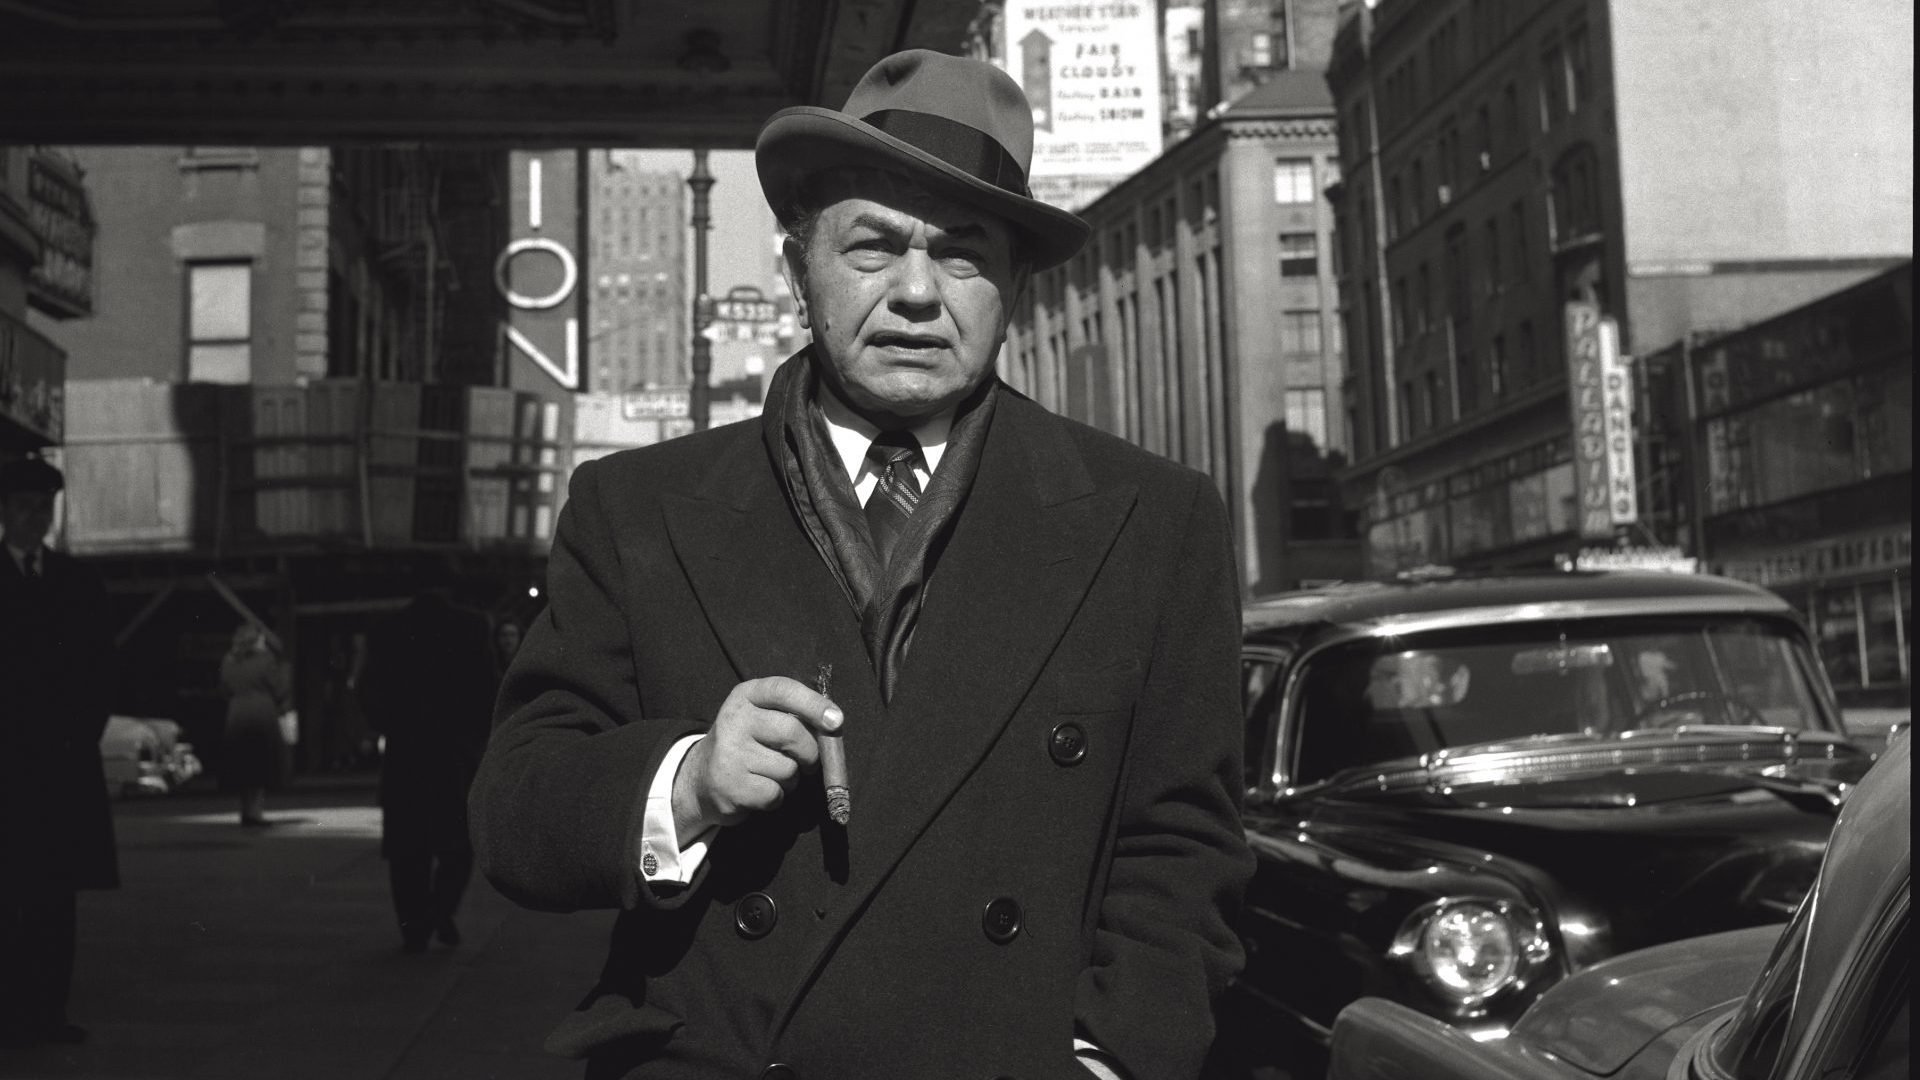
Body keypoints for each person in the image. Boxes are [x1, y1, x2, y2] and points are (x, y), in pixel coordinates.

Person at [470, 50, 1252, 1080]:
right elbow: (516, 817)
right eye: (874, 247)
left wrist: (1107, 1061)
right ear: (800, 272)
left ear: (1013, 286)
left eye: (963, 255)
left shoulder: (1157, 522)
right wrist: (689, 781)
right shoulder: (636, 510)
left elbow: (1185, 854)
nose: (918, 294)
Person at [0, 456, 117, 1047]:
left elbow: (100, 670)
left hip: (60, 764)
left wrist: (79, 734)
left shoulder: (78, 583)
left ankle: (48, 1013)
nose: (33, 518)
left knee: (53, 898)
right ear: (2, 513)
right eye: (22, 506)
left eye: (42, 508)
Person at [360, 585, 498, 952]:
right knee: (456, 844)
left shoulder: (387, 629)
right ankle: (441, 909)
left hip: (407, 750)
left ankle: (414, 926)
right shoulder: (471, 627)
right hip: (453, 751)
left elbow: (367, 689)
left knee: (407, 848)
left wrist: (389, 723)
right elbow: (488, 689)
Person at [219, 621, 292, 826]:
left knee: (244, 765)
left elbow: (224, 688)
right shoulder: (265, 659)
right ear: (256, 640)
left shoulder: (228, 660)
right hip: (261, 713)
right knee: (260, 765)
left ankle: (245, 810)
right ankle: (255, 812)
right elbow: (279, 689)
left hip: (237, 713)